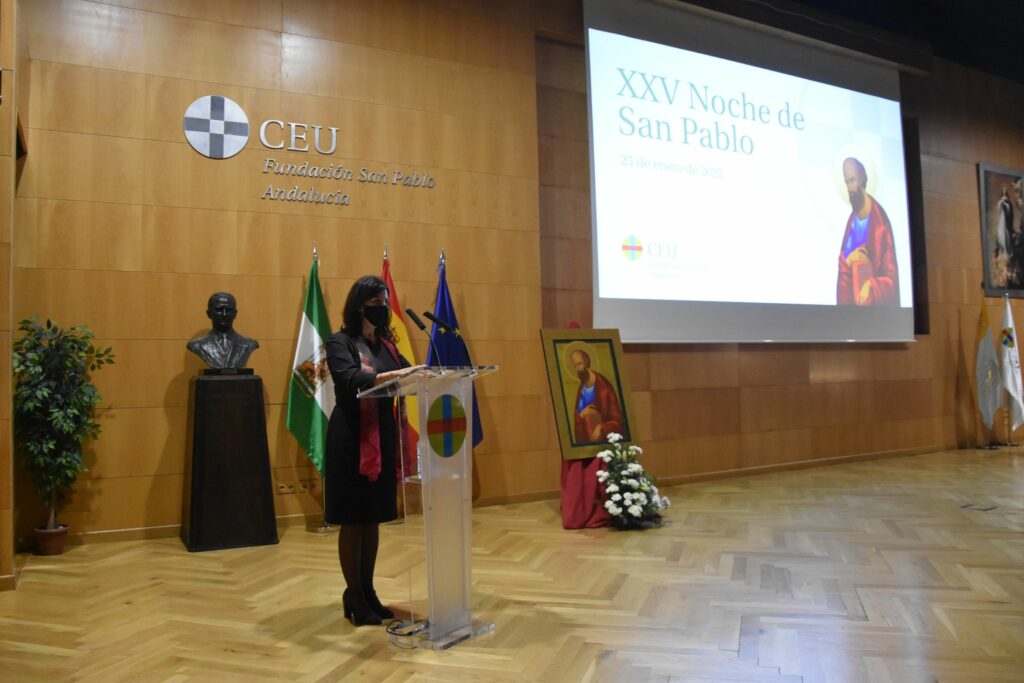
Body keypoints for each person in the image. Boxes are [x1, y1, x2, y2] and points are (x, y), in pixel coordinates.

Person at [324, 275, 423, 626]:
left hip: (381, 436)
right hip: (351, 438)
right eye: (377, 304)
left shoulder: (387, 344)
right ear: (359, 306)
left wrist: (410, 376)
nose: (383, 309)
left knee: (373, 519)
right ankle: (354, 594)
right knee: (354, 520)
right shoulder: (340, 342)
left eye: (385, 303)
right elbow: (348, 380)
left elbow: (397, 380)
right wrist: (392, 376)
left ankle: (368, 592)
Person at [835, 157, 899, 306]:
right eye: (847, 182)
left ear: (863, 179)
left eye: (852, 180)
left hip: (873, 318)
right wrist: (847, 261)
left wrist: (872, 285)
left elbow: (891, 280)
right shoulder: (852, 222)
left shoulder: (880, 223)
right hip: (851, 317)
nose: (850, 188)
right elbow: (844, 273)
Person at [186, 292, 259, 368]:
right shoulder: (197, 345)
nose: (224, 314)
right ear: (209, 314)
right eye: (219, 310)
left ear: (235, 313)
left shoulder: (248, 344)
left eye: (228, 310)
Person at [570, 349, 625, 443]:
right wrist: (582, 413)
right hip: (587, 441)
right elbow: (578, 418)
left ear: (587, 362)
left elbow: (617, 421)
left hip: (603, 440)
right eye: (575, 366)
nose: (578, 369)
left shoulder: (604, 387)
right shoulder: (581, 389)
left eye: (579, 364)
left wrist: (601, 427)